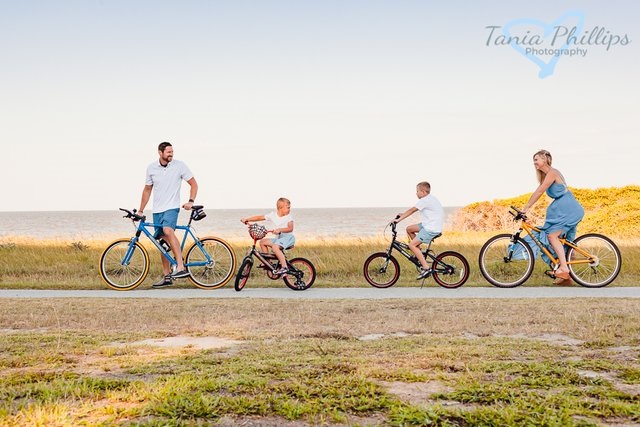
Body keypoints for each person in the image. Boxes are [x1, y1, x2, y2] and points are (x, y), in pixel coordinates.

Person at [138, 142, 198, 288]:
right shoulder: (151, 168)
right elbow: (147, 190)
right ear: (160, 152)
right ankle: (167, 276)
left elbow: (194, 184)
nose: (171, 154)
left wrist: (191, 201)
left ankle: (181, 267)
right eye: (168, 152)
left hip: (172, 207)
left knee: (168, 230)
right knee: (162, 243)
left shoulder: (179, 166)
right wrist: (140, 210)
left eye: (172, 151)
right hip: (157, 210)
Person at [521, 149, 584, 285]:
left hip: (568, 209)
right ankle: (567, 278)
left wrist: (525, 209)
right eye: (533, 160)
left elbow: (539, 192)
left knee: (551, 236)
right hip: (563, 210)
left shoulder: (552, 173)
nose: (534, 163)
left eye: (536, 159)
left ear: (545, 159)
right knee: (562, 242)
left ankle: (564, 268)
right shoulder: (545, 176)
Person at [393, 181, 444, 280]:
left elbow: (412, 210)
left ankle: (426, 268)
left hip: (431, 228)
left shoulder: (424, 200)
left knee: (411, 245)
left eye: (417, 191)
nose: (416, 193)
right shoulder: (430, 198)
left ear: (423, 192)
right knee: (409, 229)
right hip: (428, 225)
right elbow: (410, 211)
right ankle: (419, 252)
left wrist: (398, 220)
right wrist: (402, 214)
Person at [240, 197, 295, 275]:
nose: (289, 209)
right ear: (280, 208)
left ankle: (284, 267)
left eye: (289, 207)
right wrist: (247, 219)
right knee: (262, 242)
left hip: (288, 238)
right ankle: (268, 263)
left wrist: (280, 230)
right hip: (279, 240)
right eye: (288, 207)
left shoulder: (289, 217)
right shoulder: (273, 215)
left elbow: (290, 228)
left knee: (275, 247)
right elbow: (260, 217)